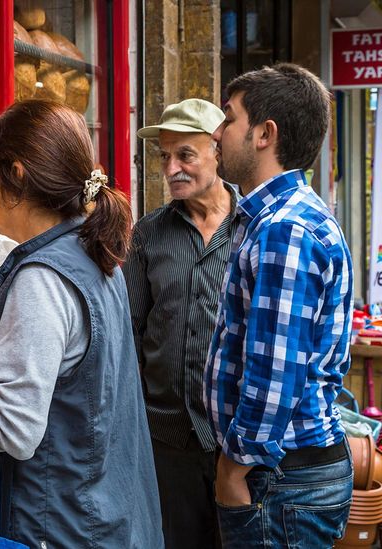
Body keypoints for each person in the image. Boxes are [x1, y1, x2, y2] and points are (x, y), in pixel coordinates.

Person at [0, 100, 164, 548]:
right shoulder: (94, 255)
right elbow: (76, 370)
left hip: (56, 529)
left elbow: (16, 431)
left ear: (17, 176)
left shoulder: (41, 277)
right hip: (105, 522)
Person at [205, 63, 354, 548]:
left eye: (230, 119)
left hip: (277, 477)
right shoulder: (280, 218)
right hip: (285, 473)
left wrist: (234, 467)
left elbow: (275, 371)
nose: (219, 132)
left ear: (264, 134)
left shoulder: (283, 229)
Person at [124, 98, 234, 549]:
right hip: (164, 441)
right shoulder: (147, 234)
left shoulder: (254, 230)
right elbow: (129, 332)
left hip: (236, 442)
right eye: (164, 156)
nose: (171, 168)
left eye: (185, 155)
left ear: (217, 152)